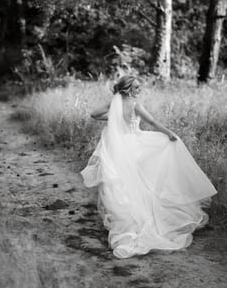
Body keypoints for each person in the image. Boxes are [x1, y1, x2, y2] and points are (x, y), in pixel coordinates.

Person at [80, 75, 217, 259]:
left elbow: (94, 114)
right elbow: (152, 122)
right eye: (136, 87)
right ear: (128, 89)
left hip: (118, 147)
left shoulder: (115, 102)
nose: (139, 89)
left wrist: (114, 118)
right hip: (135, 147)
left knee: (123, 183)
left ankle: (127, 217)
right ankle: (140, 218)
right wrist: (169, 133)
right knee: (140, 180)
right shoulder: (135, 105)